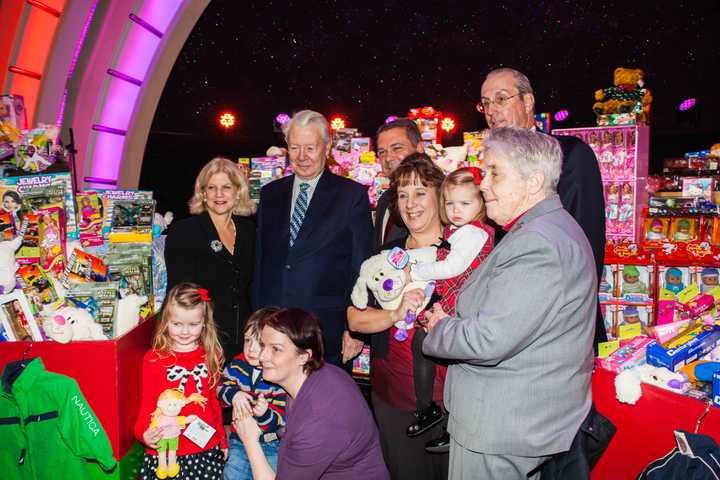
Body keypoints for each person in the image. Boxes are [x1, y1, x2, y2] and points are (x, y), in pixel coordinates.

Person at [423, 127, 596, 480]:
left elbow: (489, 340)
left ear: (533, 181)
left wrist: (440, 326)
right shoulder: (546, 228)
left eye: (494, 173)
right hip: (522, 421)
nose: (483, 184)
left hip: (502, 428)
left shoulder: (538, 243)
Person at [478, 67, 607, 345]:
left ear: (528, 102)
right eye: (486, 103)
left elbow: (587, 243)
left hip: (558, 322)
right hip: (502, 315)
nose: (492, 110)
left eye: (502, 98)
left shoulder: (569, 154)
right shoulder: (486, 168)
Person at [348, 154, 450, 480]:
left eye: (420, 192)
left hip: (452, 401)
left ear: (439, 195)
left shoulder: (461, 250)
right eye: (403, 195)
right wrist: (394, 313)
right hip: (393, 396)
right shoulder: (386, 254)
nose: (410, 204)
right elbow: (354, 318)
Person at [253, 110, 373, 368]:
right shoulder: (270, 195)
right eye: (295, 147)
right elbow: (261, 262)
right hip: (274, 330)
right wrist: (257, 321)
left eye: (310, 147)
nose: (302, 156)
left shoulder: (351, 196)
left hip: (325, 332)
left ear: (327, 146)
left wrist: (356, 329)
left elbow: (362, 266)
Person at [232, 308, 389, 479]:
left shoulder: (318, 417)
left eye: (275, 349)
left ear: (304, 356)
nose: (262, 356)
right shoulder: (319, 375)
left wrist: (250, 440)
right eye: (263, 345)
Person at [404, 166, 494, 451]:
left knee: (455, 367)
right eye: (450, 203)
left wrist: (416, 270)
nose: (455, 210)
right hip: (453, 300)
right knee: (424, 345)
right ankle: (431, 410)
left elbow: (453, 266)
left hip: (463, 305)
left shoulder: (474, 233)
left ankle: (447, 421)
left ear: (481, 204)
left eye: (465, 203)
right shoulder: (458, 230)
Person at [164, 157, 256, 359]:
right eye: (212, 188)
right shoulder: (184, 231)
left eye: (226, 187)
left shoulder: (249, 230)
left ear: (237, 191)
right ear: (203, 193)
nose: (219, 194)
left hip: (244, 339)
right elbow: (180, 291)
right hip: (202, 339)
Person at [134, 283, 228, 480]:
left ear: (205, 323)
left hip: (204, 447)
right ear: (165, 321)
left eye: (193, 325)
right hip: (165, 452)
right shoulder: (153, 358)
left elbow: (213, 402)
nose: (185, 332)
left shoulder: (212, 354)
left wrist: (222, 439)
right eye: (177, 324)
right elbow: (148, 402)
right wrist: (143, 433)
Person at [218, 308, 287, 479]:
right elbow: (220, 387)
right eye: (248, 341)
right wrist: (234, 395)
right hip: (238, 439)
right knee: (232, 473)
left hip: (271, 441)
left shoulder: (278, 372)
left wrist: (264, 414)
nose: (251, 349)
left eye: (260, 343)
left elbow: (283, 416)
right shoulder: (237, 364)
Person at [373, 118, 425, 252]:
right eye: (382, 152)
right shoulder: (385, 199)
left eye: (397, 148)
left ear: (419, 148)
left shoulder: (438, 195)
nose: (388, 158)